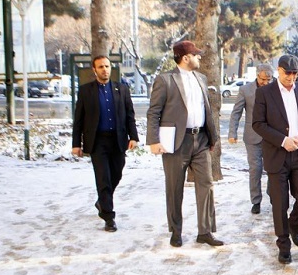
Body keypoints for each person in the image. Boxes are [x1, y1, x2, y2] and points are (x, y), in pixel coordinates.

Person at [146, 41, 223, 248]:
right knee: (174, 187)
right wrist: (154, 141)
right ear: (185, 57)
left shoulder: (201, 78)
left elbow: (207, 110)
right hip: (175, 142)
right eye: (196, 55)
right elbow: (154, 112)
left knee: (206, 184)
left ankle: (205, 231)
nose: (200, 57)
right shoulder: (165, 80)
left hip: (201, 140)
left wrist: (212, 138)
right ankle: (176, 231)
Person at [252, 55, 298, 264]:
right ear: (279, 71)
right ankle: (284, 245)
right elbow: (258, 124)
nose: (291, 77)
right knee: (280, 204)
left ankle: (294, 226)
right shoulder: (264, 92)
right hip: (276, 155)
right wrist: (282, 141)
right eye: (288, 73)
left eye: (295, 74)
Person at [72, 55, 139, 232]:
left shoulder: (122, 89)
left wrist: (133, 137)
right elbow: (79, 119)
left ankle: (102, 201)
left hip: (118, 139)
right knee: (103, 178)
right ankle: (109, 217)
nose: (105, 70)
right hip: (97, 141)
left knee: (116, 174)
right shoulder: (86, 91)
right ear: (94, 70)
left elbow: (129, 115)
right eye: (101, 67)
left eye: (107, 66)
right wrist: (76, 144)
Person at [228, 64, 274, 214]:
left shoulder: (275, 88)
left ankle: (272, 195)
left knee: (273, 168)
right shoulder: (245, 90)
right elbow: (236, 112)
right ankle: (256, 201)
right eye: (263, 79)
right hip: (252, 135)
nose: (265, 82)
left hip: (272, 136)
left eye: (268, 79)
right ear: (257, 76)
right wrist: (232, 133)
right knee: (255, 169)